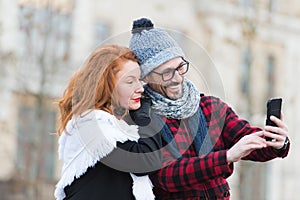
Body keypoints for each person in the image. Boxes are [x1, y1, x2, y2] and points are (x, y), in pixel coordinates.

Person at [129, 18, 290, 200]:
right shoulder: (143, 119)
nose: (177, 78)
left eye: (180, 67)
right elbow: (166, 176)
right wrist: (226, 157)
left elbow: (247, 140)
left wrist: (277, 142)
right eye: (167, 73)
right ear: (147, 77)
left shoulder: (210, 108)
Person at [54, 44, 161, 200]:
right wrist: (146, 116)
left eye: (139, 80)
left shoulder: (118, 127)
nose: (140, 88)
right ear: (106, 85)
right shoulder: (91, 125)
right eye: (130, 81)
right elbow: (145, 161)